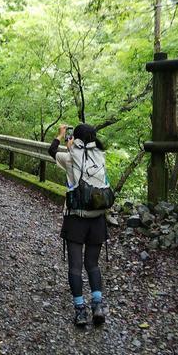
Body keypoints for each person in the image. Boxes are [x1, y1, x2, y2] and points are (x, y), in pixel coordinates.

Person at [48, 123, 109, 327]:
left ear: (77, 138)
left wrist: (61, 136)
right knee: (92, 264)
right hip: (98, 218)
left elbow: (51, 151)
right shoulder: (101, 155)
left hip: (76, 219)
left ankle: (80, 310)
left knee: (75, 266)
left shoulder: (70, 156)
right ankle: (98, 306)